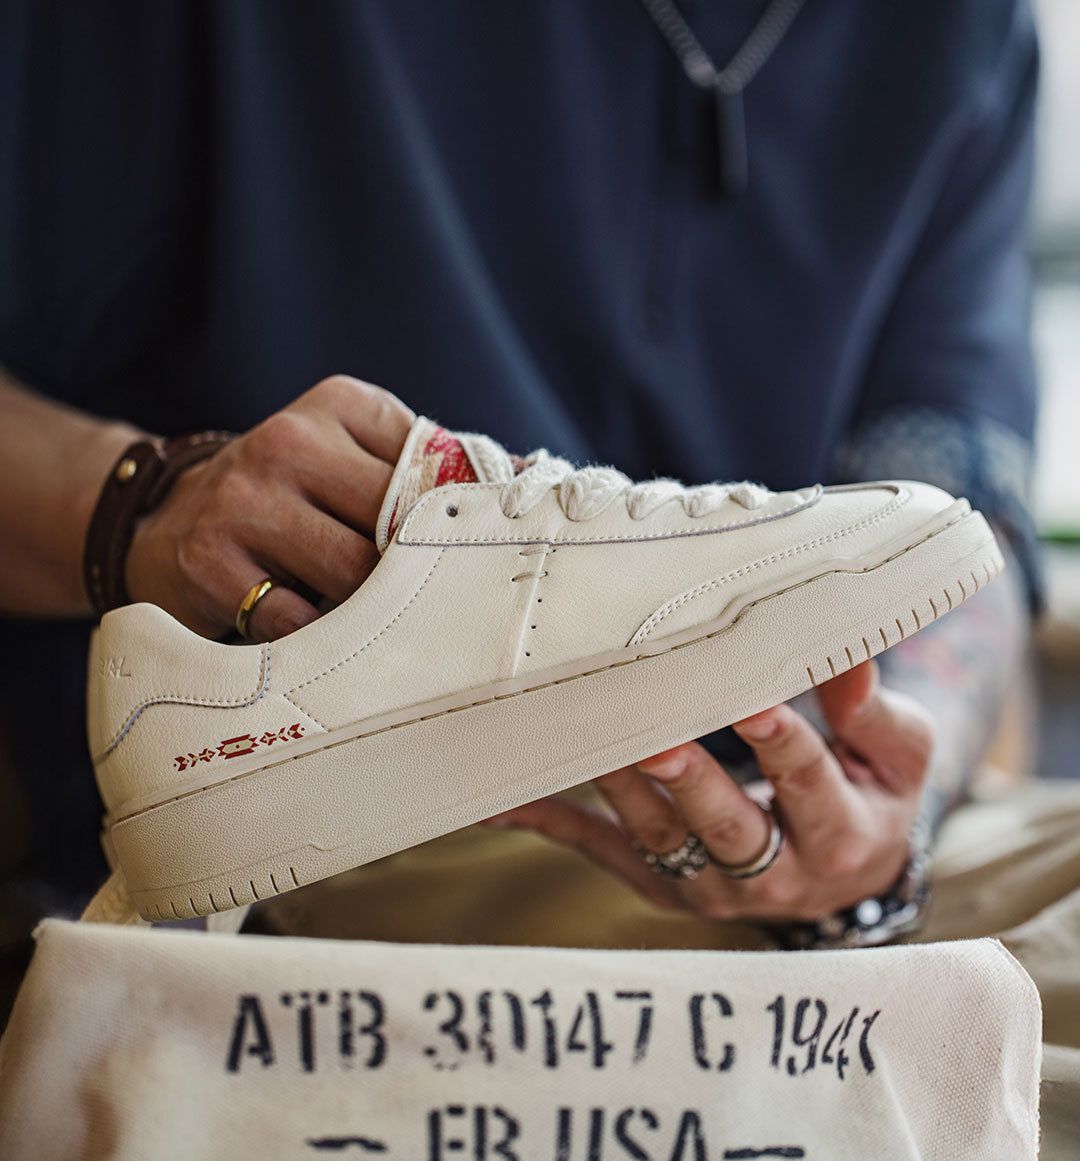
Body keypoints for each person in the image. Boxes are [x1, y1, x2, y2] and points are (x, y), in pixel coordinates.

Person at [0, 0, 1045, 950]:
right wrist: (135, 504)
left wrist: (880, 820)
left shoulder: (965, 31)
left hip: (755, 812)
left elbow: (955, 517)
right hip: (366, 813)